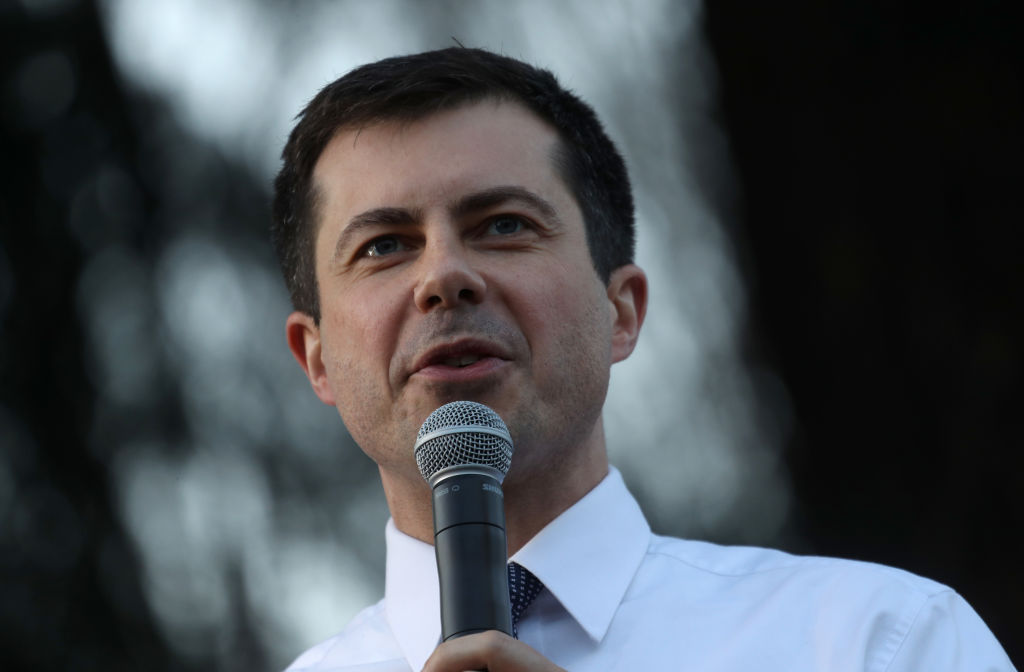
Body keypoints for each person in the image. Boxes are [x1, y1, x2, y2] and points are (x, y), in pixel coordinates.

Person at [272, 47, 1014, 672]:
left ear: (620, 310)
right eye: (384, 247)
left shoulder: (879, 642)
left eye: (503, 224)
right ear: (318, 359)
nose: (443, 277)